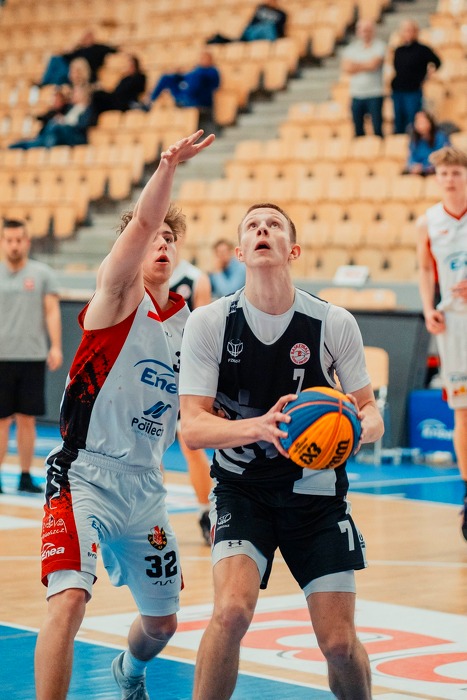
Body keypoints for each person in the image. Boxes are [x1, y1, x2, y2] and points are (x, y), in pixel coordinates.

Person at [34, 130, 215, 700]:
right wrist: (168, 168)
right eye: (153, 236)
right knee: (69, 599)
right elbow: (142, 224)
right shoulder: (115, 296)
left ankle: (128, 672)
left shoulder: (192, 327)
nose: (161, 243)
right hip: (83, 474)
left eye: (170, 239)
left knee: (162, 624)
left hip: (145, 486)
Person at [179, 202, 384, 699]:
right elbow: (193, 427)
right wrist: (261, 428)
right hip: (242, 490)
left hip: (316, 495)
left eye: (273, 225)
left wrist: (356, 429)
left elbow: (370, 411)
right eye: (252, 225)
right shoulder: (210, 322)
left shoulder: (333, 322)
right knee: (231, 612)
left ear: (293, 250)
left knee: (339, 644)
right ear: (240, 252)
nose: (262, 230)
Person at [416, 145, 467, 541]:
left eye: (456, 172)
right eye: (444, 174)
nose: (449, 179)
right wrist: (427, 307)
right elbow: (423, 268)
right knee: (462, 412)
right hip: (453, 323)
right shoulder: (428, 222)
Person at [0, 219, 62, 494]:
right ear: (3, 242)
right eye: (9, 240)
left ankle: (25, 476)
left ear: (27, 242)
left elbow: (51, 311)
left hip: (32, 357)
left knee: (27, 419)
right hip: (2, 357)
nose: (14, 245)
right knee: (1, 421)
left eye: (19, 240)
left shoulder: (42, 274)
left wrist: (56, 346)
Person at [169, 242, 213, 544]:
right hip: (146, 368)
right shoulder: (138, 275)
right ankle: (148, 514)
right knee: (144, 445)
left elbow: (204, 332)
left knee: (190, 443)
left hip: (183, 371)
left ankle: (207, 511)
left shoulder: (195, 279)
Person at [391, 20, 441, 135]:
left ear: (416, 32)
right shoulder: (399, 50)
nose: (408, 33)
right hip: (398, 90)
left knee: (413, 119)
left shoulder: (423, 49)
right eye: (405, 31)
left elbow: (437, 62)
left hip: (413, 90)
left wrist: (428, 74)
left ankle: (413, 141)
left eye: (410, 30)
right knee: (399, 119)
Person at [9, 85, 93, 150]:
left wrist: (64, 122)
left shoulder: (88, 109)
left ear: (83, 94)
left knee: (54, 127)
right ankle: (27, 144)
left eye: (76, 93)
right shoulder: (70, 108)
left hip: (75, 135)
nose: (73, 95)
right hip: (59, 134)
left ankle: (43, 148)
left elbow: (83, 125)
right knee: (51, 126)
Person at [341, 19, 386, 138]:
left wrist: (355, 65)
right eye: (363, 30)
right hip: (357, 94)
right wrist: (366, 64)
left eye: (368, 30)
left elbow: (373, 65)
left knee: (377, 128)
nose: (365, 33)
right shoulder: (351, 48)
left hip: (375, 93)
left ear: (373, 31)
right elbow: (346, 67)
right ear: (358, 31)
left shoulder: (379, 46)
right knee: (358, 130)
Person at [40, 29, 117, 86]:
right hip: (71, 66)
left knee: (60, 73)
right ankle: (45, 82)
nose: (87, 39)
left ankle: (47, 83)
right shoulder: (80, 48)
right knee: (55, 59)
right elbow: (66, 55)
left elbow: (113, 49)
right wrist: (76, 45)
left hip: (83, 69)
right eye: (86, 37)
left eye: (89, 37)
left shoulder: (98, 48)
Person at [146, 51, 220, 110]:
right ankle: (150, 101)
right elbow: (186, 77)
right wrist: (177, 73)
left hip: (199, 97)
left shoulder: (212, 70)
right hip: (184, 91)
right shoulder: (196, 69)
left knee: (196, 77)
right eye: (201, 58)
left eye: (204, 58)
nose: (202, 60)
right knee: (167, 77)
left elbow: (215, 85)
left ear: (210, 60)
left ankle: (184, 100)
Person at [89, 53, 147, 122]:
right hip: (116, 99)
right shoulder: (125, 78)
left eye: (130, 65)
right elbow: (116, 90)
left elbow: (134, 90)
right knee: (98, 95)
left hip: (126, 101)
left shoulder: (140, 77)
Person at [207, 0, 287, 44]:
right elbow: (253, 22)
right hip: (255, 32)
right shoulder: (261, 8)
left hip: (268, 35)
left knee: (268, 27)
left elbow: (280, 30)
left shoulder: (281, 14)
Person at [405, 110, 450, 175]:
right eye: (417, 122)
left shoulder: (441, 137)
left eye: (423, 122)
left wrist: (424, 168)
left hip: (435, 170)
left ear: (430, 122)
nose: (420, 125)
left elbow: (443, 158)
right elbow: (411, 158)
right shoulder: (414, 140)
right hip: (418, 172)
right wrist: (413, 167)